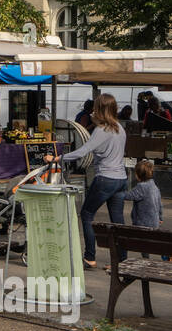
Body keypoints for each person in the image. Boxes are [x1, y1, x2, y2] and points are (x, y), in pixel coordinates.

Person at [45, 93, 127, 270]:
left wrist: (57, 158)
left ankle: (89, 257)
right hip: (121, 178)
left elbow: (83, 152)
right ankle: (121, 260)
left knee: (87, 215)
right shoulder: (120, 128)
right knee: (117, 221)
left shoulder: (102, 130)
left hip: (105, 178)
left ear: (99, 109)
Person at [122, 158, 166, 260]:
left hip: (142, 223)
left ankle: (146, 259)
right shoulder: (154, 186)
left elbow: (129, 196)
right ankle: (161, 253)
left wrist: (118, 192)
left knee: (141, 242)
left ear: (137, 175)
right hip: (154, 221)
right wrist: (160, 217)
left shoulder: (141, 187)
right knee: (149, 242)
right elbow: (159, 203)